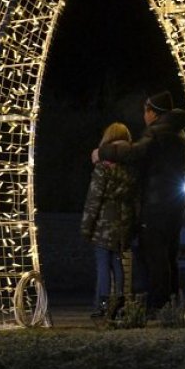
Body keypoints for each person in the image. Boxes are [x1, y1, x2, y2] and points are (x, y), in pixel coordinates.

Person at [93, 91, 185, 311]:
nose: (144, 116)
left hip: (156, 205)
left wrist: (104, 151)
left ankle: (157, 305)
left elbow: (134, 152)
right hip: (174, 205)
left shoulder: (158, 133)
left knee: (154, 255)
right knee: (169, 256)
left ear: (152, 113)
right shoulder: (179, 134)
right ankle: (172, 303)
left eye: (145, 111)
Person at [80, 122, 138, 319]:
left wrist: (86, 226)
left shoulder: (103, 168)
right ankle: (120, 304)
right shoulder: (130, 168)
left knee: (103, 264)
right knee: (118, 263)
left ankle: (103, 305)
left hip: (104, 225)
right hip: (123, 224)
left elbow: (94, 199)